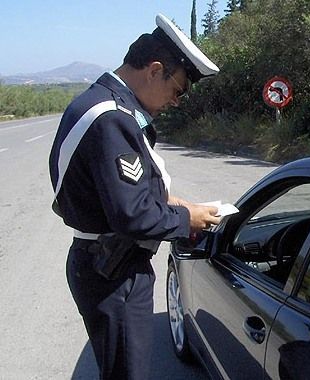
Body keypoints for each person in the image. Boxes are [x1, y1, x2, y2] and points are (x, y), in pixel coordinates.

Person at [49, 14, 221, 379]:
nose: (176, 101)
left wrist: (178, 204)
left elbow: (124, 192)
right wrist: (186, 219)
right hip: (114, 270)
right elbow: (131, 215)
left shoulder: (106, 104)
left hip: (106, 265)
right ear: (155, 70)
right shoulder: (111, 117)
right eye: (178, 90)